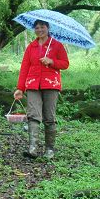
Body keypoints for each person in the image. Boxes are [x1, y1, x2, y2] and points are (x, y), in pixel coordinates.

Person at [14, 20, 69, 159]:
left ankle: (49, 149)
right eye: (37, 28)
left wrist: (51, 61)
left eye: (42, 27)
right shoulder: (31, 47)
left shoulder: (56, 45)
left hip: (51, 84)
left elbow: (65, 64)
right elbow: (24, 67)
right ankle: (32, 148)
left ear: (48, 28)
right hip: (32, 84)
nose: (39, 30)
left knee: (49, 117)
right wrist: (20, 88)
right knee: (33, 115)